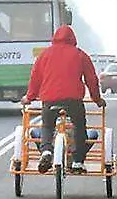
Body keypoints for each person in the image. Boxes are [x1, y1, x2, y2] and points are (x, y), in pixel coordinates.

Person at [23, 25, 104, 174]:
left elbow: (35, 79)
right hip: (74, 100)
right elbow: (92, 80)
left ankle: (47, 150)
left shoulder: (45, 55)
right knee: (79, 126)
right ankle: (78, 161)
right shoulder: (80, 55)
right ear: (73, 39)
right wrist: (97, 99)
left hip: (49, 100)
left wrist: (29, 97)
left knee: (47, 126)